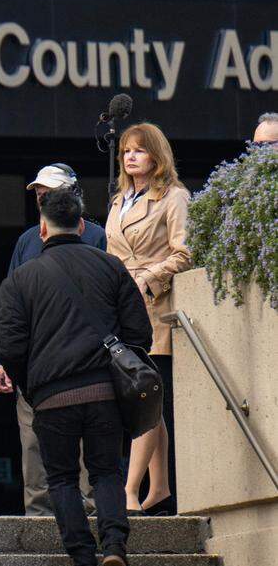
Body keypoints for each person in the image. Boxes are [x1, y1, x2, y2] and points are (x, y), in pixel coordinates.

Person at [0, 189, 152, 566]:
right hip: (104, 393)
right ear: (83, 225)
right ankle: (115, 547)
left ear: (42, 228)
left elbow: (10, 346)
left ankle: (84, 564)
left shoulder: (21, 279)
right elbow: (139, 334)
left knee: (61, 479)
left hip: (51, 397)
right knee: (106, 472)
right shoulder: (111, 267)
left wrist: (32, 385)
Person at [0, 163, 105, 516]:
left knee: (86, 437)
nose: (42, 199)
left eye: (49, 193)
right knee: (31, 439)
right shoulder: (26, 240)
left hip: (82, 356)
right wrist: (3, 360)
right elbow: (10, 302)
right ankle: (38, 512)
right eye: (39, 194)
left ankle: (87, 507)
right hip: (31, 357)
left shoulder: (96, 236)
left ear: (72, 195)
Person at [105, 123, 192, 517]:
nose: (130, 156)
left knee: (145, 399)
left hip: (153, 306)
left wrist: (147, 277)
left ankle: (129, 490)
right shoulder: (118, 199)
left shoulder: (174, 197)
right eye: (126, 150)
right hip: (121, 306)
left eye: (139, 150)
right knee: (144, 400)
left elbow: (185, 253)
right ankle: (158, 487)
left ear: (157, 155)